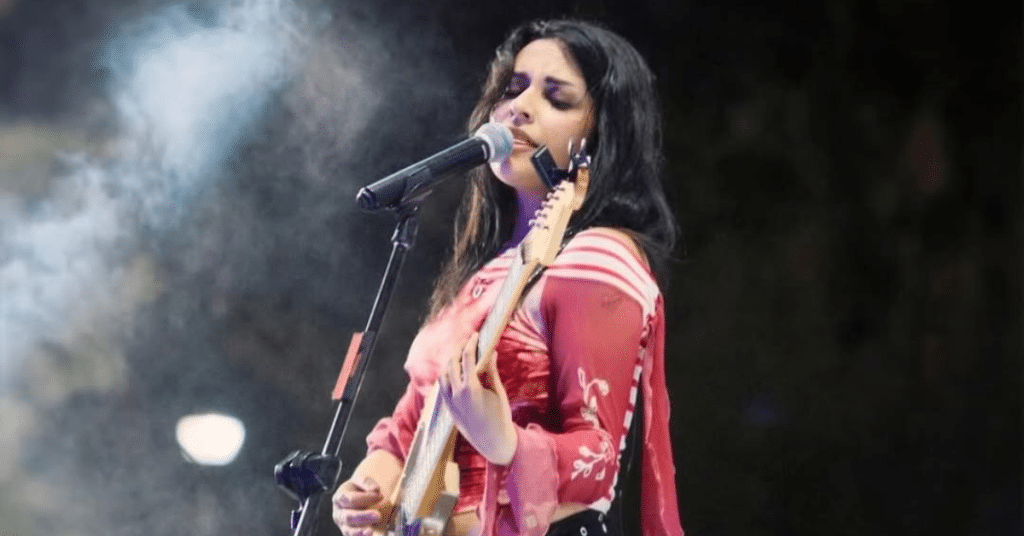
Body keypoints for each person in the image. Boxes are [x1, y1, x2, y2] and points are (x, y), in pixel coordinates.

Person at [332, 19, 683, 536]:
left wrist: (504, 441)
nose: (519, 107)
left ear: (601, 138)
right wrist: (369, 490)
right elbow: (409, 425)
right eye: (513, 88)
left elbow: (598, 458)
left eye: (557, 98)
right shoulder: (484, 274)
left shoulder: (596, 258)